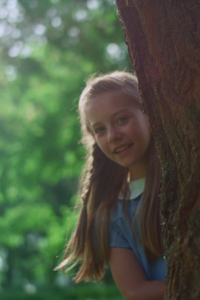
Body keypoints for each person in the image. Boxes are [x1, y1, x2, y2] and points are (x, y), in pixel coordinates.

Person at [55, 71, 166, 300]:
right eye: (100, 130)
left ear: (150, 113)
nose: (113, 135)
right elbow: (135, 292)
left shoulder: (186, 179)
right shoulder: (114, 213)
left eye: (122, 119)